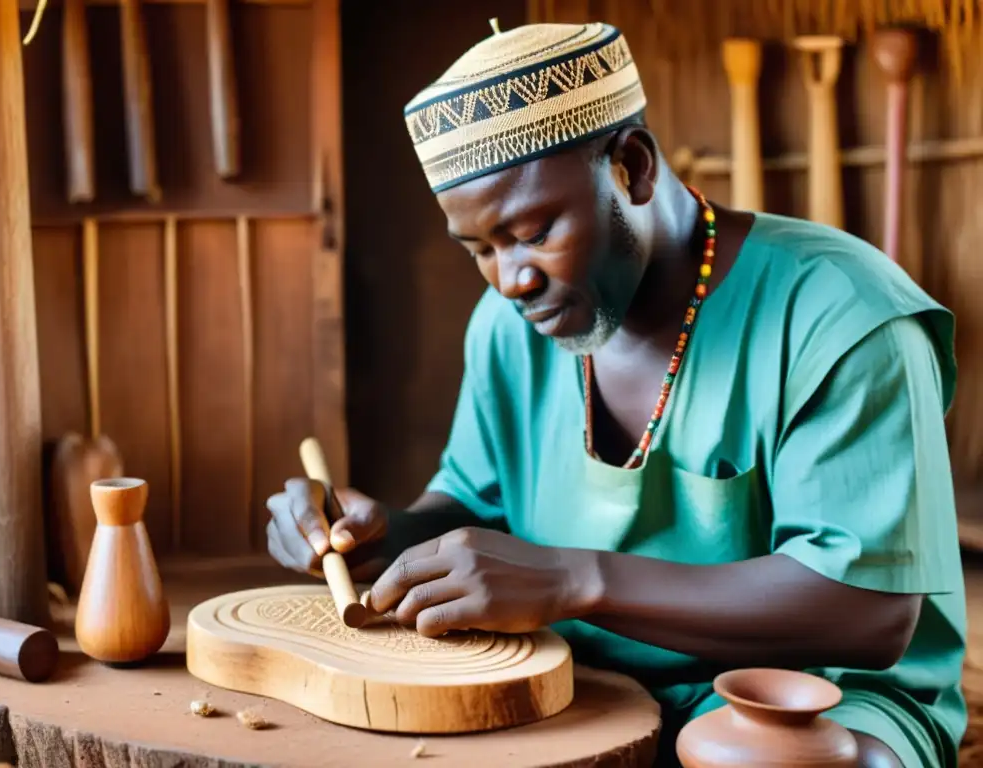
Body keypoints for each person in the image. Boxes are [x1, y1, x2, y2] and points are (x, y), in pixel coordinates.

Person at [266, 19, 966, 767]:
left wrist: (577, 579)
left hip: (815, 695)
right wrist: (386, 537)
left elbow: (866, 612)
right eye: (480, 249)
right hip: (586, 678)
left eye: (533, 230)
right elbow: (475, 504)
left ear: (631, 167)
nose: (511, 279)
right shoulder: (509, 330)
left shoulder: (841, 313)